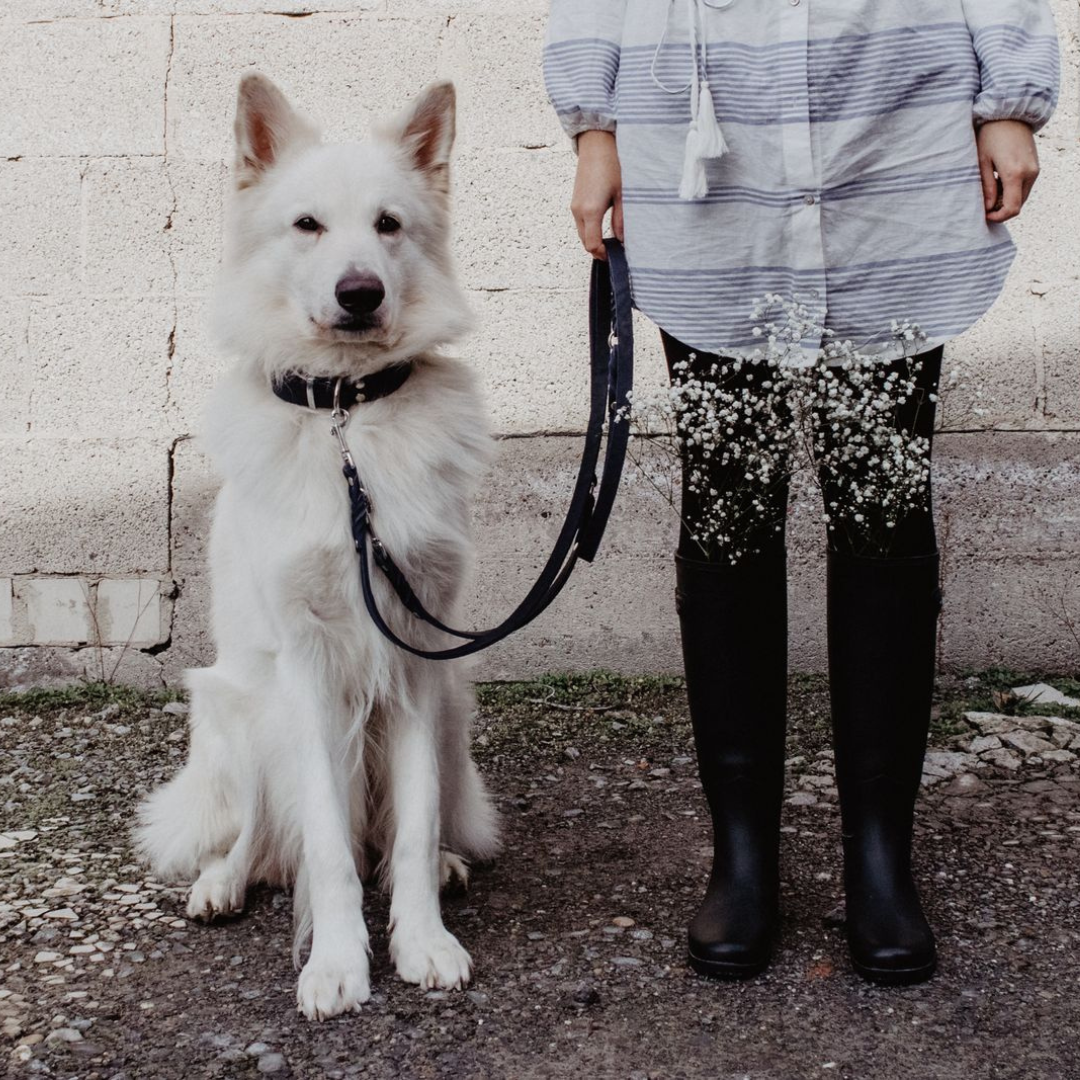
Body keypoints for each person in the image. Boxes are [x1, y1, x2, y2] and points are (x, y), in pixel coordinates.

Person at [543, 0, 1059, 985]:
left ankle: (878, 856)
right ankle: (743, 857)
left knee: (884, 509)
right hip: (706, 162)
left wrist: (1010, 97)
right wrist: (595, 127)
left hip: (890, 133)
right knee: (729, 514)